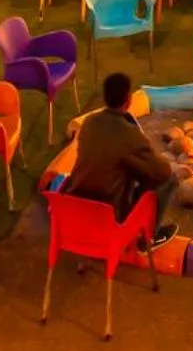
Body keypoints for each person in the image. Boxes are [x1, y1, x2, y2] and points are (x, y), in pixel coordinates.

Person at [64, 71, 177, 245]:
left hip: (76, 205)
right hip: (109, 212)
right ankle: (148, 237)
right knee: (169, 180)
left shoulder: (89, 122)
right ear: (128, 100)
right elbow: (162, 172)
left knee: (126, 171)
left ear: (105, 97)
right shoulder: (129, 133)